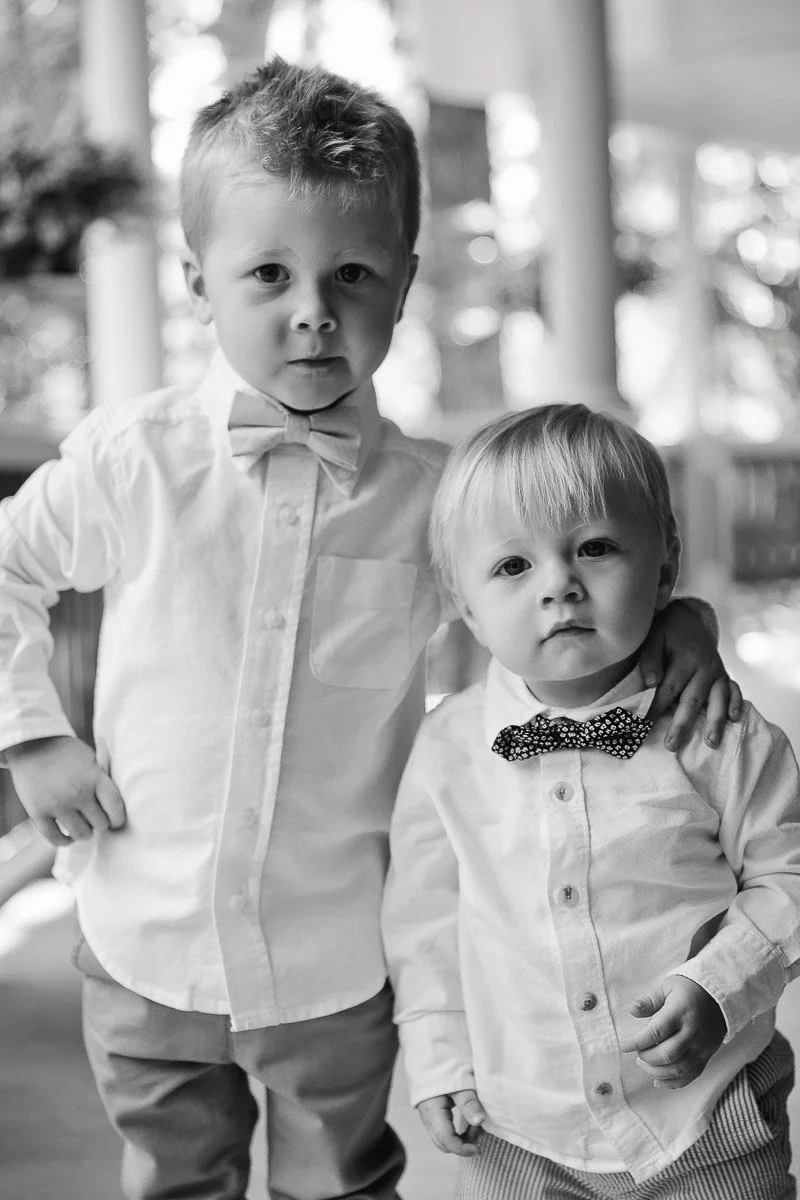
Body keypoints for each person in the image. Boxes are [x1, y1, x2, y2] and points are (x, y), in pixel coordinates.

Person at [0, 58, 736, 1200]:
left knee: (340, 1183)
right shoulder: (130, 461)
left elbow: (559, 599)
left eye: (351, 273)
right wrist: (33, 732)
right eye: (268, 274)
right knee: (171, 1179)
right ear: (197, 280)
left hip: (337, 953)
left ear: (402, 283)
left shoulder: (444, 501)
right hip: (144, 930)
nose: (312, 310)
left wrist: (676, 619)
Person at [383, 403, 799, 1200]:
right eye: (513, 567)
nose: (561, 585)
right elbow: (425, 922)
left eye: (596, 548)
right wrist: (439, 1059)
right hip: (517, 1130)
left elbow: (790, 875)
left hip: (706, 1121)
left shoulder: (722, 734)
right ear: (465, 604)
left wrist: (722, 983)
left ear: (664, 568)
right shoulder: (447, 750)